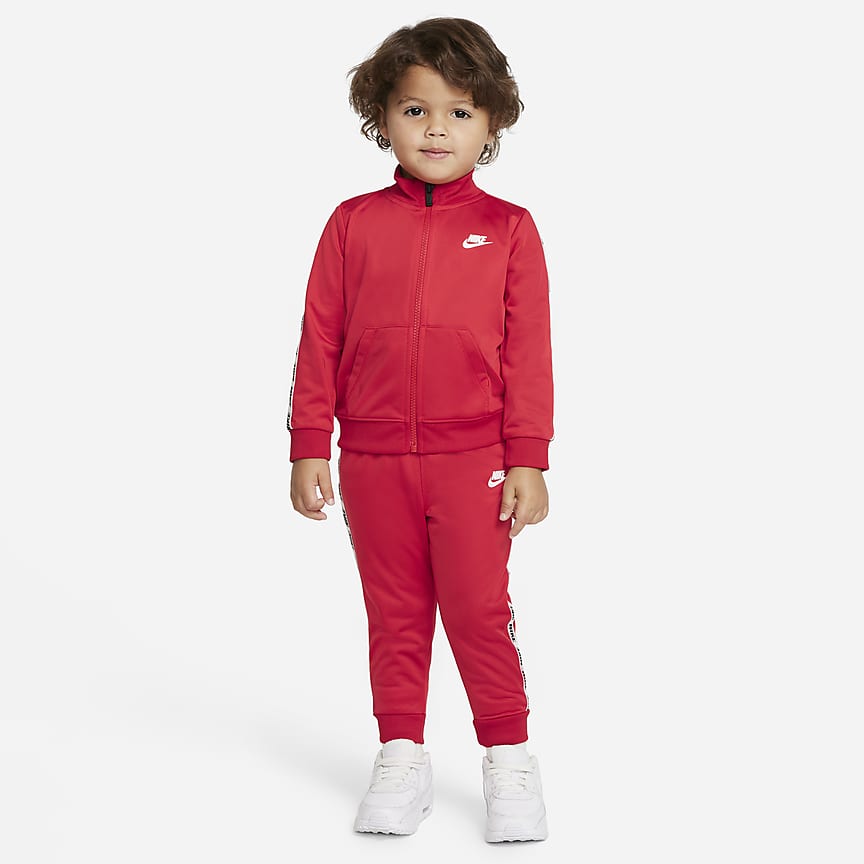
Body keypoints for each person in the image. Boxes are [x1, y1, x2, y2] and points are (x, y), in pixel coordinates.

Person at [287, 17, 553, 843]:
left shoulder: (510, 229)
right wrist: (308, 443)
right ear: (383, 118)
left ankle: (509, 757)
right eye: (415, 110)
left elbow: (530, 352)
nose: (437, 129)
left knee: (478, 610)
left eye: (460, 112)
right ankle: (401, 754)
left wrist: (529, 457)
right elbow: (319, 337)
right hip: (371, 457)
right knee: (394, 611)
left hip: (473, 458)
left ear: (492, 122)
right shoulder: (351, 223)